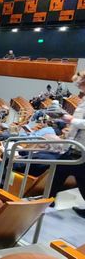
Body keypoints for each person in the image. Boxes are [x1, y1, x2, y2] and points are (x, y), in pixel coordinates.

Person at [50, 71, 85, 218]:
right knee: (80, 178)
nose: (78, 86)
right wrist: (64, 118)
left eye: (80, 83)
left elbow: (79, 122)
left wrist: (69, 119)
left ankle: (48, 199)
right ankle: (49, 199)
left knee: (59, 171)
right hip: (76, 146)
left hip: (80, 148)